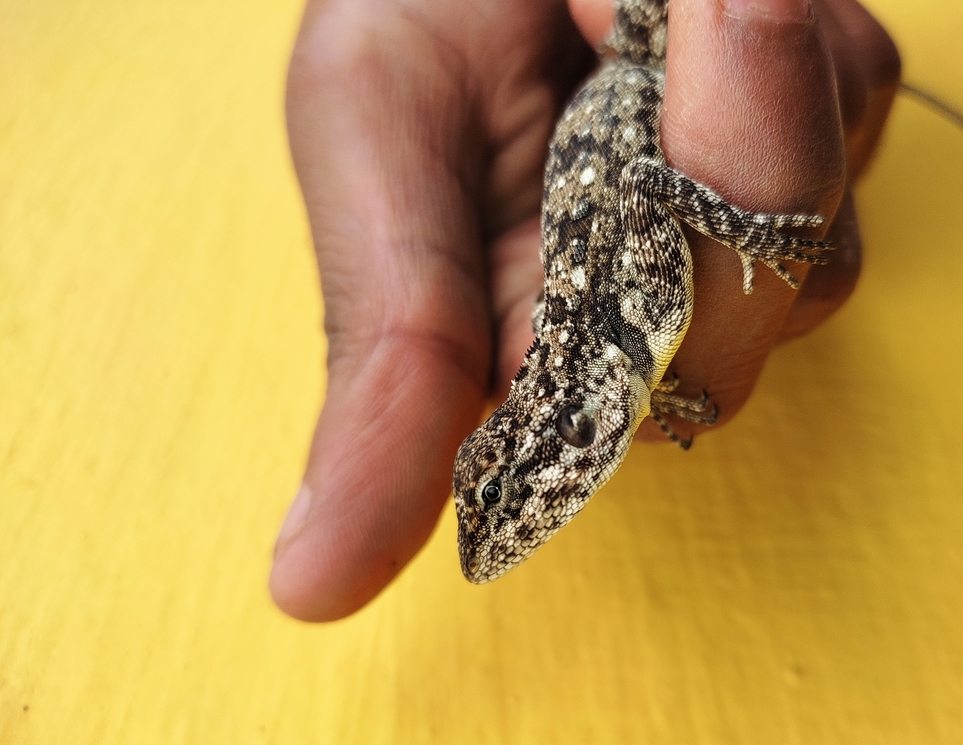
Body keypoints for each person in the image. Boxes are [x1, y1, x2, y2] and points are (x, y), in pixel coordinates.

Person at [271, 0, 901, 621]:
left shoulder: (627, 313)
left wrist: (743, 230)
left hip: (642, 69)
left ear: (562, 429)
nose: (510, 528)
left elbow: (641, 184)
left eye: (503, 497)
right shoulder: (616, 351)